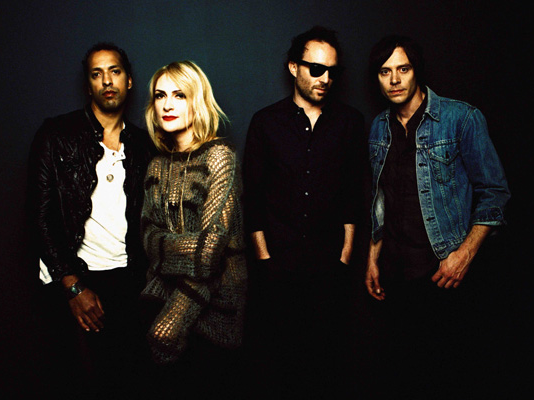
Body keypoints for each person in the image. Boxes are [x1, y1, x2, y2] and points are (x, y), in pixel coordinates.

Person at [365, 35, 510, 397]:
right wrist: (372, 258)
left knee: (447, 377)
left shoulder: (461, 119)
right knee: (400, 377)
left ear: (416, 71)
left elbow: (495, 193)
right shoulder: (378, 128)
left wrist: (464, 254)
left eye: (403, 69)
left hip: (443, 274)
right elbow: (379, 198)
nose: (394, 80)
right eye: (385, 71)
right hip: (395, 278)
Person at [242, 26, 366, 397]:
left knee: (327, 366)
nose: (325, 79)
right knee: (279, 365)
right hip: (277, 269)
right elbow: (253, 197)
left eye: (332, 71)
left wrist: (345, 256)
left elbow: (353, 195)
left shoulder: (350, 122)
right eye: (316, 69)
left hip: (330, 269)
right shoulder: (266, 123)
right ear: (294, 67)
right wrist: (264, 259)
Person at [27, 43, 154, 399]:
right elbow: (38, 216)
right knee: (78, 382)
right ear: (88, 86)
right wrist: (72, 286)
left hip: (130, 284)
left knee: (127, 382)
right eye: (97, 74)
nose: (107, 81)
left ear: (129, 81)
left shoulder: (143, 145)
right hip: (77, 280)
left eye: (114, 71)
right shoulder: (56, 135)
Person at [141, 60, 247, 397]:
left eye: (179, 95)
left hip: (216, 309)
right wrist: (185, 246)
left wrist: (172, 320)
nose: (167, 105)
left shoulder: (219, 157)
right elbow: (147, 237)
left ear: (196, 100)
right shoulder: (156, 165)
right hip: (161, 299)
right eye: (160, 95)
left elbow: (210, 252)